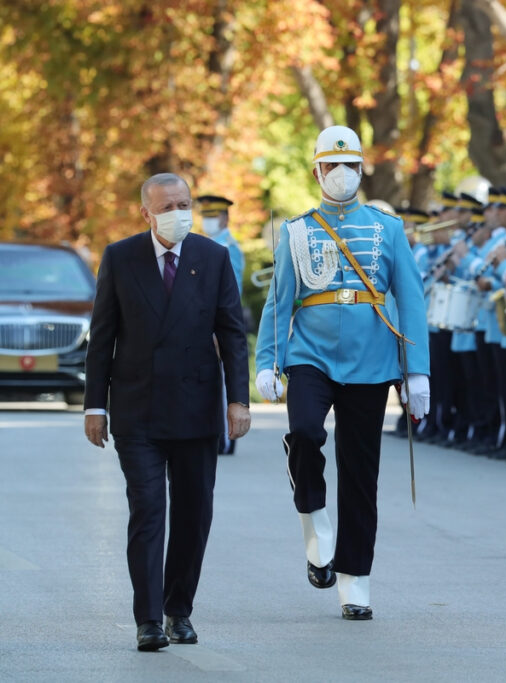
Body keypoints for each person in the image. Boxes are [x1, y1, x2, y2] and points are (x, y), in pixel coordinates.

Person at [253, 125, 429, 620]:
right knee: (305, 433)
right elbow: (278, 301)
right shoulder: (297, 230)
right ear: (317, 172)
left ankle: (355, 578)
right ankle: (313, 516)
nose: (342, 175)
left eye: (351, 165)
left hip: (372, 359)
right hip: (310, 353)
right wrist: (267, 360)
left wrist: (418, 373)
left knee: (360, 472)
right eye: (333, 166)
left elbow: (411, 299)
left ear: (361, 169)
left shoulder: (387, 228)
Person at [83, 173, 251, 651]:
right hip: (138, 408)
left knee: (194, 513)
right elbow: (103, 335)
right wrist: (96, 405)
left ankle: (180, 610)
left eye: (184, 203)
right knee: (149, 510)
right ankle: (149, 619)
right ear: (146, 212)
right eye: (168, 205)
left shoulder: (213, 257)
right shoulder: (120, 257)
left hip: (197, 408)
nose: (179, 212)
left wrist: (236, 400)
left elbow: (232, 333)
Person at [197, 194, 246, 455]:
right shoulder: (207, 244)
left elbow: (232, 292)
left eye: (212, 216)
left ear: (225, 218)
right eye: (204, 216)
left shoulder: (228, 248)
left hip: (218, 325)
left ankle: (225, 439)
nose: (208, 221)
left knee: (224, 382)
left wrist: (220, 330)